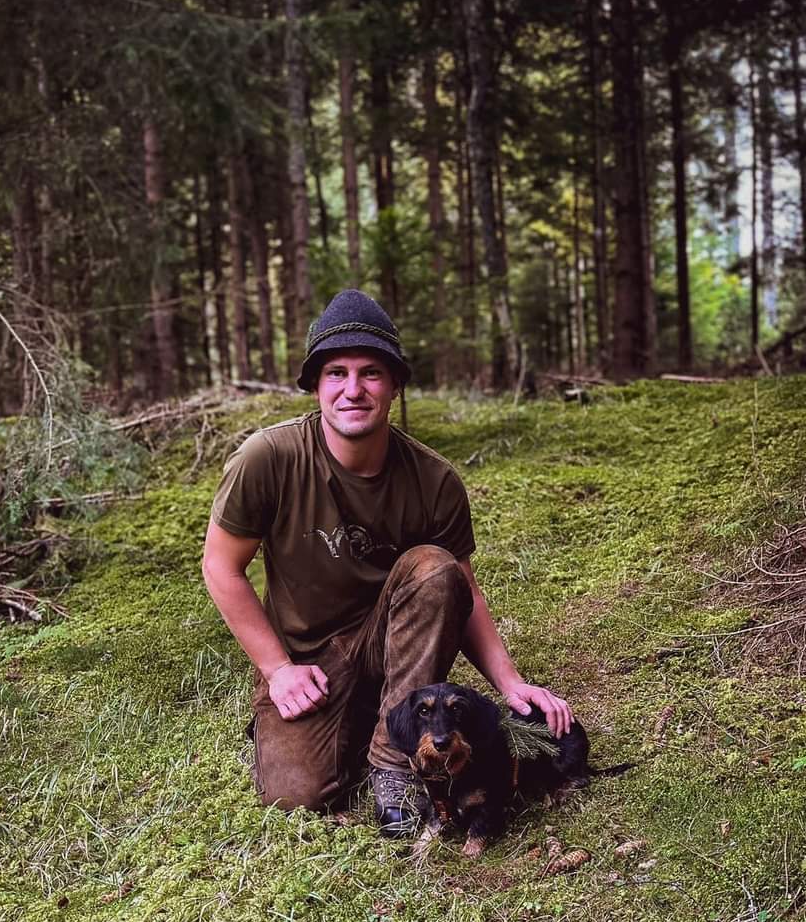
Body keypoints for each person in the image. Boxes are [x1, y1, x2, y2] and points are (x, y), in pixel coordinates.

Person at [202, 288, 573, 835]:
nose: (353, 390)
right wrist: (278, 671)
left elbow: (463, 590)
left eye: (371, 373)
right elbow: (220, 567)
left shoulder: (434, 480)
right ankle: (356, 715)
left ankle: (393, 766)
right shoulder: (269, 458)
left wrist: (510, 681)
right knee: (296, 793)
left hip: (394, 640)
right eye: (337, 373)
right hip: (309, 660)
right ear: (316, 385)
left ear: (395, 384)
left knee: (435, 567)